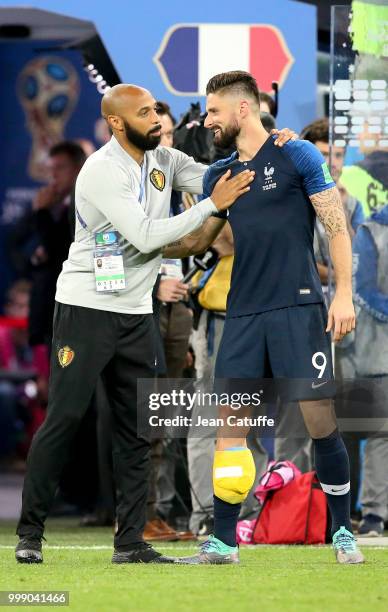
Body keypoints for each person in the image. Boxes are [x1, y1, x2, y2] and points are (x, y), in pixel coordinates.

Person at [14, 82, 257, 565]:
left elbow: (213, 176)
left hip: (135, 313)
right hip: (86, 309)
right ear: (118, 124)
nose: (157, 121)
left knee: (138, 430)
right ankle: (29, 535)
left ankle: (130, 544)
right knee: (63, 419)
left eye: (156, 112)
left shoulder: (163, 160)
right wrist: (213, 205)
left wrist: (263, 150)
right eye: (146, 113)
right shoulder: (102, 171)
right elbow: (146, 236)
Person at [177, 70, 364, 565]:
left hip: (298, 308)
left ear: (243, 109)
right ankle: (223, 541)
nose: (208, 120)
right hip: (242, 314)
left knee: (319, 420)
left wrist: (342, 293)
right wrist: (146, 239)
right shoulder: (219, 176)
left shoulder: (296, 153)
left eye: (214, 111)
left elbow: (336, 226)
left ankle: (342, 532)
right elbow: (199, 242)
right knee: (230, 428)